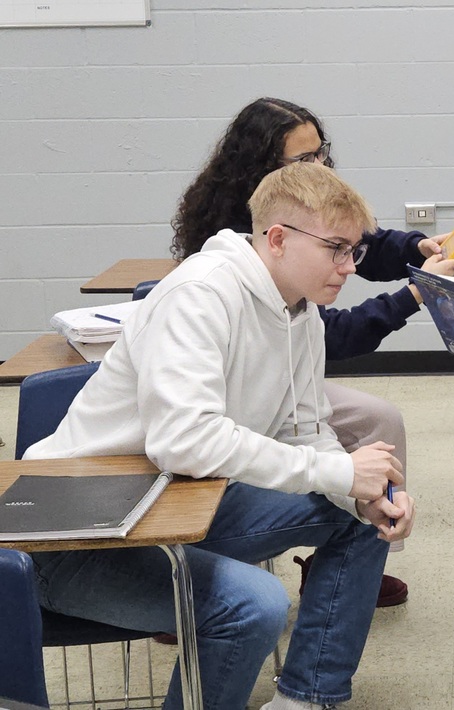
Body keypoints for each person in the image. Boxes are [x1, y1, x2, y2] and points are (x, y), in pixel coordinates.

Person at [27, 162, 412, 710]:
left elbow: (304, 429)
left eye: (355, 250)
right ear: (277, 239)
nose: (350, 266)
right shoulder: (200, 295)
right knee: (254, 603)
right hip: (80, 535)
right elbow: (184, 441)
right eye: (337, 248)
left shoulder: (300, 310)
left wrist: (357, 488)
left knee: (360, 514)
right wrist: (340, 471)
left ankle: (306, 697)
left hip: (184, 501)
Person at [171, 97, 454, 607]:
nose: (319, 168)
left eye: (321, 155)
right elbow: (337, 336)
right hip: (237, 384)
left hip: (286, 373)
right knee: (325, 453)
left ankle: (348, 567)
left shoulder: (309, 228)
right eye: (303, 161)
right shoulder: (220, 262)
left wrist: (415, 250)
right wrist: (417, 293)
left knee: (378, 423)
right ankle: (195, 579)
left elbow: (363, 243)